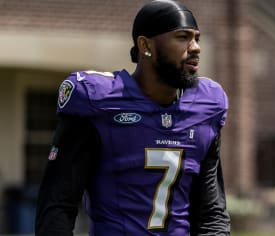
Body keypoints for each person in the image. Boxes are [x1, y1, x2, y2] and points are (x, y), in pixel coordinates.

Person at [35, 0, 231, 235]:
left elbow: (211, 212)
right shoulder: (99, 101)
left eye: (196, 38)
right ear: (145, 45)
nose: (195, 47)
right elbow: (58, 203)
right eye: (182, 37)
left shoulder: (206, 106)